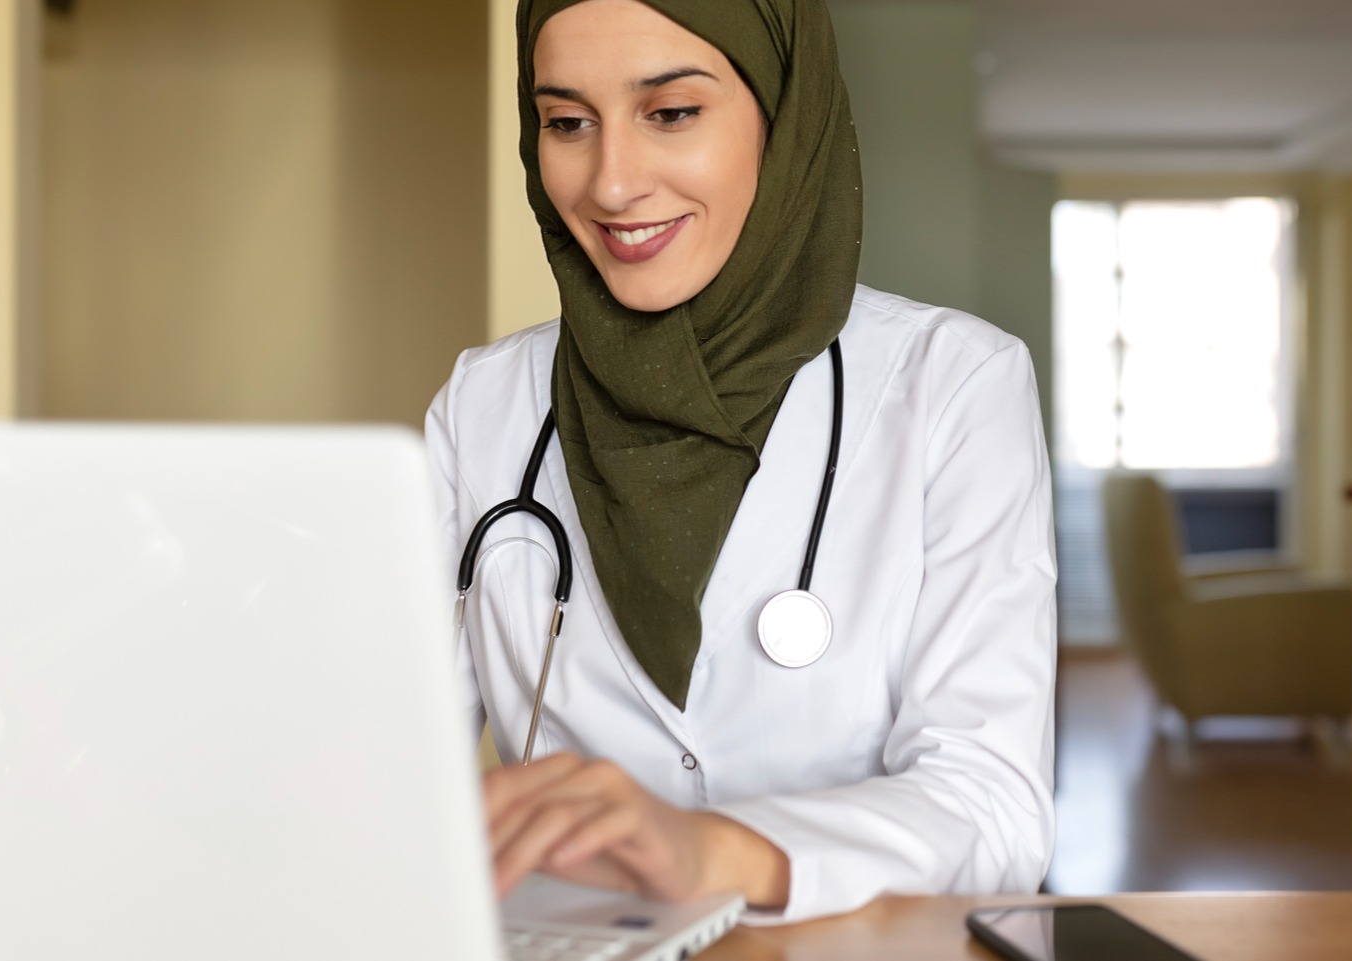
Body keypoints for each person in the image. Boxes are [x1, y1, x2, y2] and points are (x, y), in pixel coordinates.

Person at [424, 0, 1055, 924]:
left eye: (670, 113)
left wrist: (709, 848)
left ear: (783, 113)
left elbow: (995, 808)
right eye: (566, 122)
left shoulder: (952, 384)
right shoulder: (484, 404)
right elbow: (383, 762)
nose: (610, 183)